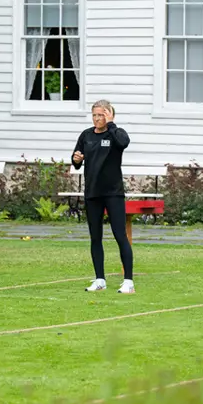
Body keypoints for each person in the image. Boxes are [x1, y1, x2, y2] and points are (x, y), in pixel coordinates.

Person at [72, 99, 134, 294]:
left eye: (101, 115)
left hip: (113, 193)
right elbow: (76, 160)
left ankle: (128, 282)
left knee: (119, 235)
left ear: (109, 115)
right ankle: (100, 279)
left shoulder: (116, 133)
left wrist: (111, 123)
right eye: (95, 115)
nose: (98, 119)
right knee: (95, 237)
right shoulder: (86, 135)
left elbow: (124, 143)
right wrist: (76, 159)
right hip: (93, 193)